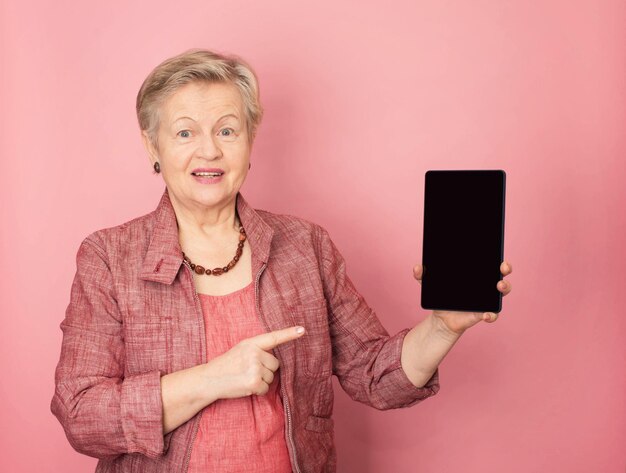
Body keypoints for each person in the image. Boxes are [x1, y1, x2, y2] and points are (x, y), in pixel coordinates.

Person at [50, 48, 513, 473]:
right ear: (153, 146)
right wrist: (214, 378)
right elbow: (82, 415)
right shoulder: (108, 257)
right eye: (185, 131)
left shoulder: (305, 245)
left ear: (250, 141)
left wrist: (442, 327)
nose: (209, 149)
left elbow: (375, 376)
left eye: (227, 130)